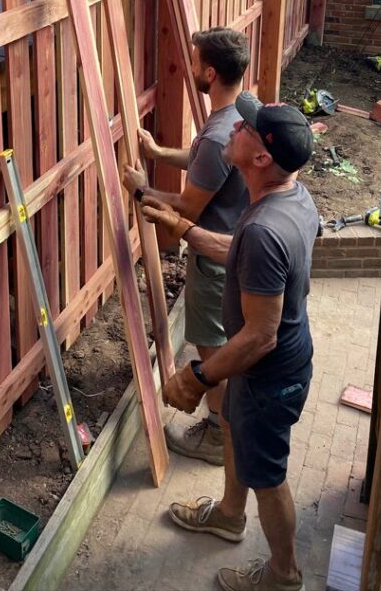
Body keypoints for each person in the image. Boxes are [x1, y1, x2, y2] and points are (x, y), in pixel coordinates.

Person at [143, 92, 317, 591]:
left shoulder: (265, 228)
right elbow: (241, 249)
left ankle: (283, 575)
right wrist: (184, 229)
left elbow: (261, 335)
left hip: (269, 373)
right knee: (238, 438)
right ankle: (227, 515)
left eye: (244, 128)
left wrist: (198, 376)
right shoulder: (287, 198)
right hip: (262, 369)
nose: (233, 129)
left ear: (261, 156)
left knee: (268, 474)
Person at [122, 27, 251, 465]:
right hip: (231, 249)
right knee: (218, 342)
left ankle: (218, 434)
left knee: (212, 349)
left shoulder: (219, 136)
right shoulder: (234, 115)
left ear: (209, 73)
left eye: (194, 63)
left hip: (215, 262)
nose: (190, 68)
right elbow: (201, 162)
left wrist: (143, 190)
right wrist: (160, 153)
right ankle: (226, 424)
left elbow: (188, 207)